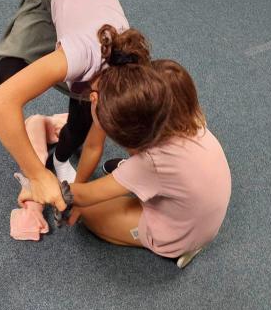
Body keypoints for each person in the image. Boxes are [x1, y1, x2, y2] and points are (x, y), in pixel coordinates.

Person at [19, 59, 231, 262]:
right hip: (200, 208)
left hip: (183, 235)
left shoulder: (148, 164)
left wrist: (39, 186)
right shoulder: (182, 116)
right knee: (135, 179)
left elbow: (84, 195)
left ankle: (172, 248)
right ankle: (147, 188)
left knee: (88, 214)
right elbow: (96, 148)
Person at [0, 0, 156, 211]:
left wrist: (78, 191)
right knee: (7, 84)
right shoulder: (82, 54)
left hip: (93, 10)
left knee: (82, 123)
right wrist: (37, 175)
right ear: (94, 98)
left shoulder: (136, 79)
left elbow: (95, 145)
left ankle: (60, 159)